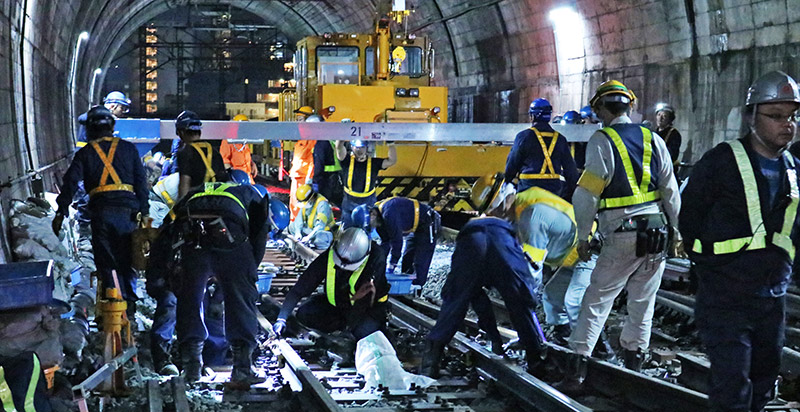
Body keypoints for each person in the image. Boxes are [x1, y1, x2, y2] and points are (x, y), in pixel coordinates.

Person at [680, 71, 800, 412]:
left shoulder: (794, 169)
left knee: (764, 381)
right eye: (775, 116)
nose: (786, 125)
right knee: (732, 385)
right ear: (751, 116)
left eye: (792, 116)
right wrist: (709, 266)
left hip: (772, 296)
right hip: (725, 295)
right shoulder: (721, 162)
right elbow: (690, 217)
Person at [561, 80, 681, 390]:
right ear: (629, 106)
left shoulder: (603, 140)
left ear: (602, 108)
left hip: (622, 233)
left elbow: (586, 194)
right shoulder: (654, 138)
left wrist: (584, 236)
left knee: (597, 299)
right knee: (643, 301)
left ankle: (577, 370)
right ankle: (634, 366)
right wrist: (678, 232)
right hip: (657, 233)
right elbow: (670, 190)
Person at [166, 179, 271, 387]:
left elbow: (171, 226)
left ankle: (191, 369)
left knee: (190, 300)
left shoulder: (196, 192)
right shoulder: (250, 194)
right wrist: (249, 270)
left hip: (191, 240)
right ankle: (242, 369)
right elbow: (259, 236)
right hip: (230, 237)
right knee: (241, 299)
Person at [420, 216, 547, 379]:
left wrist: (495, 340)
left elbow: (478, 300)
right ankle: (536, 363)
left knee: (455, 301)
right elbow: (525, 297)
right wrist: (497, 341)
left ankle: (430, 364)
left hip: (471, 241)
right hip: (503, 244)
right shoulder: (511, 235)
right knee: (520, 302)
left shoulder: (474, 230)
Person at [53, 106, 149, 316]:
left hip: (102, 213)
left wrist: (61, 211)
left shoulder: (85, 153)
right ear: (112, 126)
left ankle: (113, 304)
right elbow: (142, 184)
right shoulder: (128, 149)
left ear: (89, 129)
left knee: (107, 261)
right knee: (127, 259)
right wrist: (145, 211)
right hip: (128, 213)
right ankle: (129, 306)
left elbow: (70, 182)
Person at [272, 228, 391, 342]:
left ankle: (366, 329)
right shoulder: (331, 255)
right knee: (304, 313)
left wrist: (348, 331)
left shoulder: (376, 260)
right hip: (338, 306)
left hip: (368, 309)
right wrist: (282, 318)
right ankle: (343, 326)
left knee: (362, 334)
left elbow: (363, 303)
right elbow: (300, 288)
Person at [505, 98, 579, 200]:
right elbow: (571, 171)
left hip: (528, 191)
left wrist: (507, 181)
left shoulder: (524, 137)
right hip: (553, 193)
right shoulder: (560, 139)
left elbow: (512, 164)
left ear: (532, 116)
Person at [366, 197, 441, 288]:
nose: (371, 227)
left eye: (369, 224)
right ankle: (405, 287)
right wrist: (379, 265)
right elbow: (385, 243)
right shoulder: (379, 219)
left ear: (372, 214)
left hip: (427, 221)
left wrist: (392, 265)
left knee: (420, 261)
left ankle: (416, 289)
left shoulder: (388, 214)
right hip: (416, 226)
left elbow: (397, 241)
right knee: (407, 259)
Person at [336, 140, 397, 227]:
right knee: (347, 229)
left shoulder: (374, 163)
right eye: (356, 147)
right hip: (349, 203)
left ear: (367, 148)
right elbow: (339, 147)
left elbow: (392, 160)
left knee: (368, 229)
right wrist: (342, 136)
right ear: (352, 147)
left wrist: (391, 144)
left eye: (362, 147)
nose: (359, 150)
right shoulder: (346, 161)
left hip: (368, 203)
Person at [174, 110, 226, 199]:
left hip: (197, 203)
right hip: (217, 202)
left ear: (181, 133)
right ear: (199, 132)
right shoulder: (215, 152)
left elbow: (184, 185)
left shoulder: (185, 152)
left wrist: (180, 207)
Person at [289, 112, 320, 219]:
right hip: (297, 176)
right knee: (294, 203)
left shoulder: (313, 141)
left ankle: (299, 225)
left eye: (301, 119)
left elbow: (313, 160)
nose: (299, 122)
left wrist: (309, 178)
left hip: (303, 177)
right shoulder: (302, 139)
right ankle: (294, 225)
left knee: (300, 204)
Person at [289, 184, 335, 249]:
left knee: (319, 239)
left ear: (311, 198)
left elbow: (320, 226)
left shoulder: (322, 205)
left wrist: (309, 237)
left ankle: (315, 244)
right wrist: (298, 232)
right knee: (292, 227)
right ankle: (309, 241)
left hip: (322, 232)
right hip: (310, 230)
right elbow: (299, 220)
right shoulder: (306, 202)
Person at [219, 114, 257, 183]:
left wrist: (252, 163)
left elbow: (245, 156)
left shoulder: (244, 141)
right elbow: (224, 160)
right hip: (237, 180)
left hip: (248, 179)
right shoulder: (228, 141)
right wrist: (232, 174)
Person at [313, 135, 344, 206]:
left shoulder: (321, 143)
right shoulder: (336, 140)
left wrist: (316, 182)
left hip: (326, 181)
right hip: (339, 179)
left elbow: (319, 165)